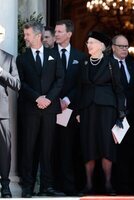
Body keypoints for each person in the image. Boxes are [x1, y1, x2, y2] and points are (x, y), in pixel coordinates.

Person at [16, 21, 64, 198]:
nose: (25, 37)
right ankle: (27, 187)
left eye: (27, 34)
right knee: (28, 148)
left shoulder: (54, 55)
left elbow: (60, 79)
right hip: (30, 109)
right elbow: (21, 83)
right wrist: (38, 98)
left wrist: (48, 99)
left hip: (50, 109)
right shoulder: (21, 59)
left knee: (48, 148)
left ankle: (47, 186)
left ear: (37, 36)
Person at [77, 31, 125, 195]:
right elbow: (79, 89)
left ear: (101, 46)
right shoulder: (84, 63)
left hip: (107, 110)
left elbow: (119, 90)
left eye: (91, 42)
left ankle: (108, 184)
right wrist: (77, 110)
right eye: (88, 43)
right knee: (88, 144)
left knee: (107, 146)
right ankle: (89, 185)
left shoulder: (112, 63)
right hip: (88, 109)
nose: (88, 45)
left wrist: (121, 113)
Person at [54, 19, 85, 195]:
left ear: (69, 34)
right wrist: (55, 99)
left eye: (59, 31)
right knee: (51, 147)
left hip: (70, 110)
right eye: (56, 32)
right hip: (51, 107)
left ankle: (69, 186)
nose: (56, 34)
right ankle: (51, 185)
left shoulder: (80, 57)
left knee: (68, 148)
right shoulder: (48, 54)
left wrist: (66, 100)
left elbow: (80, 85)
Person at [111, 34, 134, 194]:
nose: (124, 49)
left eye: (126, 46)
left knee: (128, 153)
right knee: (113, 152)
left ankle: (127, 187)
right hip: (113, 116)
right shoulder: (107, 64)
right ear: (113, 47)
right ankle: (113, 186)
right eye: (121, 46)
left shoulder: (132, 65)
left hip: (130, 117)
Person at [0, 47, 20, 197]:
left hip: (2, 112)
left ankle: (5, 186)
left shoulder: (8, 58)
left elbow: (17, 84)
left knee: (5, 150)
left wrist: (1, 72)